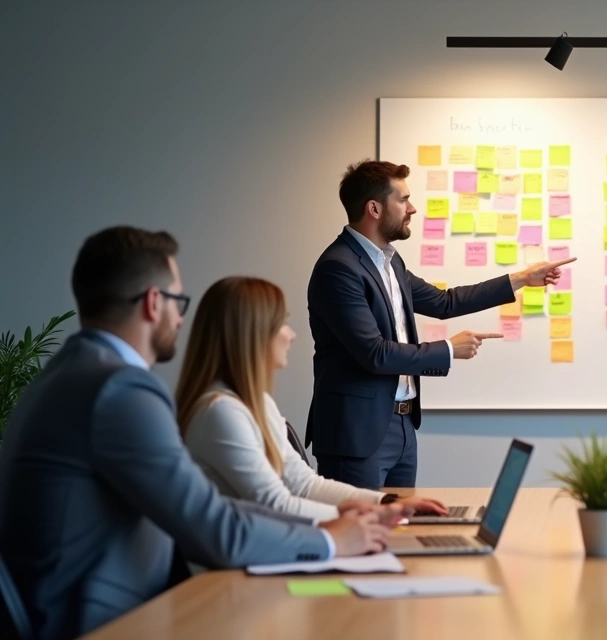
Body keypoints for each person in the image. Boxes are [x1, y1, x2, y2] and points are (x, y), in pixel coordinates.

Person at [0, 227, 399, 640]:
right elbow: (213, 528)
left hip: (84, 605)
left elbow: (210, 508)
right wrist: (331, 541)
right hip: (100, 620)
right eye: (178, 301)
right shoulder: (120, 389)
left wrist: (330, 528)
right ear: (154, 303)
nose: (181, 318)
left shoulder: (70, 374)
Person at [307, 159, 576, 490]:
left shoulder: (390, 262)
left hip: (403, 425)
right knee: (363, 538)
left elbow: (444, 302)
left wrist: (521, 279)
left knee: (402, 533)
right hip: (358, 434)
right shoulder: (339, 268)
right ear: (374, 209)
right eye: (403, 200)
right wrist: (449, 350)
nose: (413, 208)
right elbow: (374, 353)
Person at [179, 276, 451, 521]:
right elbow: (274, 503)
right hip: (233, 571)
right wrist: (369, 515)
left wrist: (387, 503)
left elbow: (305, 485)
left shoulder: (255, 404)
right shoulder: (219, 411)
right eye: (282, 324)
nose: (291, 334)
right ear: (251, 335)